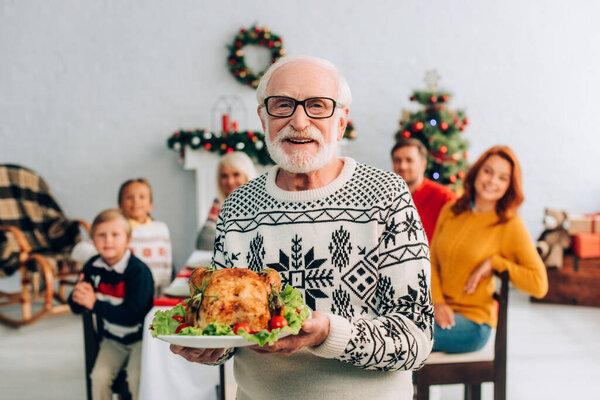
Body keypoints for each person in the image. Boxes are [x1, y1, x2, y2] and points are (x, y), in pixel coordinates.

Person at [170, 55, 434, 400]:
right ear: (263, 118)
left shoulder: (386, 195)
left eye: (317, 106)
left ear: (341, 121)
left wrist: (328, 334)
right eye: (282, 105)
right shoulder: (237, 206)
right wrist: (209, 347)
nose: (298, 120)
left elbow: (415, 339)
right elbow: (226, 330)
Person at [430, 145, 548, 353]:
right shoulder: (451, 211)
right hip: (435, 311)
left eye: (503, 178)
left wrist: (496, 263)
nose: (492, 181)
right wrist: (438, 302)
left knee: (406, 336)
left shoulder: (510, 225)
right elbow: (431, 261)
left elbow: (539, 285)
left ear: (509, 186)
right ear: (476, 172)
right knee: (397, 328)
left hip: (473, 324)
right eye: (488, 171)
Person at [68, 209, 154, 400]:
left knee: (136, 378)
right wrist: (77, 297)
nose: (108, 240)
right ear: (93, 240)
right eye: (101, 235)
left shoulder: (138, 271)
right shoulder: (93, 266)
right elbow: (79, 305)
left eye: (115, 235)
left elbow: (134, 315)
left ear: (128, 239)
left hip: (141, 338)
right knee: (98, 377)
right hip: (112, 339)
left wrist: (95, 304)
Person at [391, 138, 456, 243]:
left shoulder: (444, 196)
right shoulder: (387, 197)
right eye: (397, 160)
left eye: (409, 160)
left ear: (423, 165)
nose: (402, 166)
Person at [118, 178, 172, 297]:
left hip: (157, 292)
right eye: (129, 197)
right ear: (120, 206)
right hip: (128, 293)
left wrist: (165, 290)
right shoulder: (117, 231)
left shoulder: (161, 228)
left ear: (150, 206)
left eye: (142, 197)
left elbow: (167, 263)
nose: (135, 201)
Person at [195, 151, 257, 250]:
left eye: (236, 174)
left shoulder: (260, 203)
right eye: (224, 176)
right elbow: (204, 242)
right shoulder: (219, 204)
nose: (230, 182)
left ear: (247, 175)